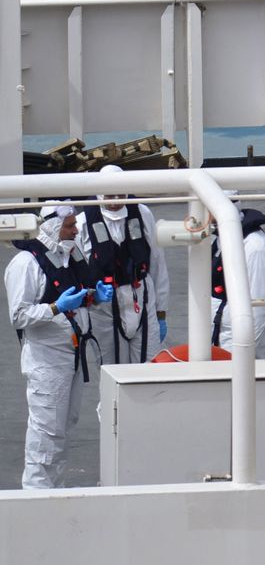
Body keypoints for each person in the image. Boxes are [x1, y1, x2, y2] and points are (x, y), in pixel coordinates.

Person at [6, 206, 114, 488]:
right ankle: (36, 493)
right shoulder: (25, 264)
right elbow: (19, 316)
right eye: (69, 226)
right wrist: (56, 307)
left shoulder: (70, 256)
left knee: (65, 427)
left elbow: (78, 295)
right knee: (46, 431)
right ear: (53, 227)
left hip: (73, 356)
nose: (76, 231)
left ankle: (55, 490)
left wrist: (95, 297)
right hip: (47, 359)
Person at [77, 164, 170, 364]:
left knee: (150, 367)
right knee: (111, 369)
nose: (115, 202)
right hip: (104, 307)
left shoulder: (142, 214)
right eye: (110, 196)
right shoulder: (82, 223)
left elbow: (156, 261)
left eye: (120, 195)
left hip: (142, 300)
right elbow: (78, 272)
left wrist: (161, 311)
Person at [211, 196, 265, 358]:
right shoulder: (220, 239)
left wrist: (242, 354)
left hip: (239, 341)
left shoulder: (255, 248)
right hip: (219, 333)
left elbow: (259, 306)